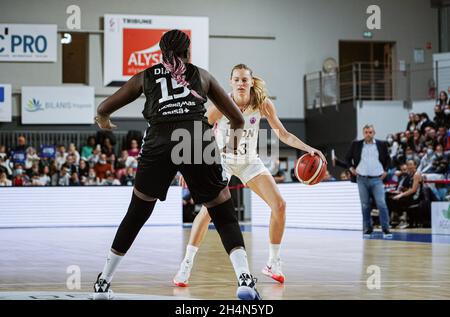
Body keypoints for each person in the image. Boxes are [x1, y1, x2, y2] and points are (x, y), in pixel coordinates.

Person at [93, 30, 261, 300]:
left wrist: (103, 120)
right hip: (195, 140)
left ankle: (103, 283)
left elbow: (103, 108)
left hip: (159, 142)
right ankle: (244, 280)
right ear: (188, 52)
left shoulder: (145, 76)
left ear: (159, 53)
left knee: (136, 214)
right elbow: (238, 120)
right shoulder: (202, 75)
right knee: (223, 212)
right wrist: (231, 145)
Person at [173, 63, 326, 287]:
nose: (241, 83)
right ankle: (185, 265)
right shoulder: (222, 104)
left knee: (280, 205)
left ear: (251, 82)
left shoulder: (262, 103)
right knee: (208, 211)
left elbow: (282, 134)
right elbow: (197, 129)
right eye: (236, 79)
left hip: (249, 162)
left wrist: (308, 149)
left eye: (245, 79)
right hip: (222, 160)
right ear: (231, 82)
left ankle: (273, 262)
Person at [345, 124, 392, 238]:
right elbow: (347, 158)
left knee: (381, 204)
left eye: (370, 132)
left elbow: (388, 159)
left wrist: (386, 171)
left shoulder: (381, 144)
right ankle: (368, 228)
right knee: (365, 205)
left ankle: (386, 229)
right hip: (362, 179)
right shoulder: (356, 144)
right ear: (363, 133)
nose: (368, 134)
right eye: (366, 132)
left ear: (374, 133)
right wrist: (351, 168)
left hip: (377, 179)